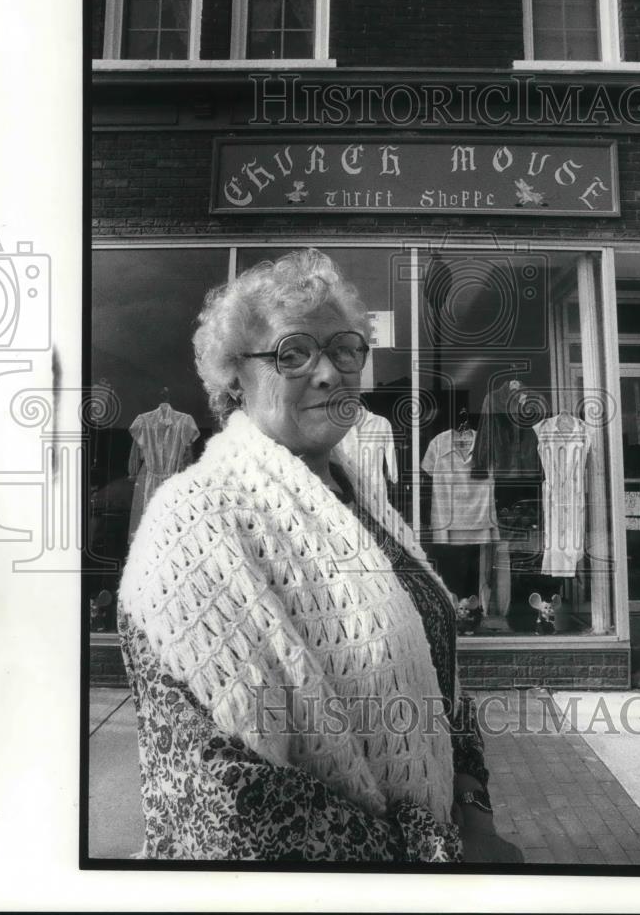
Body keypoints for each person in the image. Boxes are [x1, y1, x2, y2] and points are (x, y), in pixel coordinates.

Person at [118, 248, 523, 864]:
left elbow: (439, 685)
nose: (330, 372)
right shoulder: (196, 521)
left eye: (345, 349)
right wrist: (439, 855)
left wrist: (474, 812)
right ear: (235, 376)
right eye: (294, 352)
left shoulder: (360, 495)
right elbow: (227, 810)